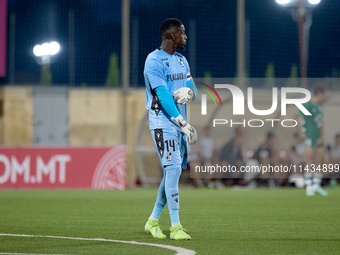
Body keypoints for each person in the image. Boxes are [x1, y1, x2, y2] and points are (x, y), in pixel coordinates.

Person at [143, 18, 198, 240]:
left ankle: (152, 221)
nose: (186, 36)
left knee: (171, 174)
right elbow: (164, 96)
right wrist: (182, 123)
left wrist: (191, 93)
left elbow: (192, 87)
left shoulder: (182, 61)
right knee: (173, 169)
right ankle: (175, 226)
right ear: (171, 36)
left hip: (178, 124)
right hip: (162, 122)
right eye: (182, 33)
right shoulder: (153, 61)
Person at [296, 86, 328, 196]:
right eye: (324, 94)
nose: (325, 97)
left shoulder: (320, 106)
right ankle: (309, 186)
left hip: (319, 138)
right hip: (310, 137)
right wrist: (301, 132)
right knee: (309, 160)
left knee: (320, 161)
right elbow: (299, 116)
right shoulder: (308, 105)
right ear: (319, 94)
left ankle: (316, 185)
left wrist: (322, 136)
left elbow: (321, 122)